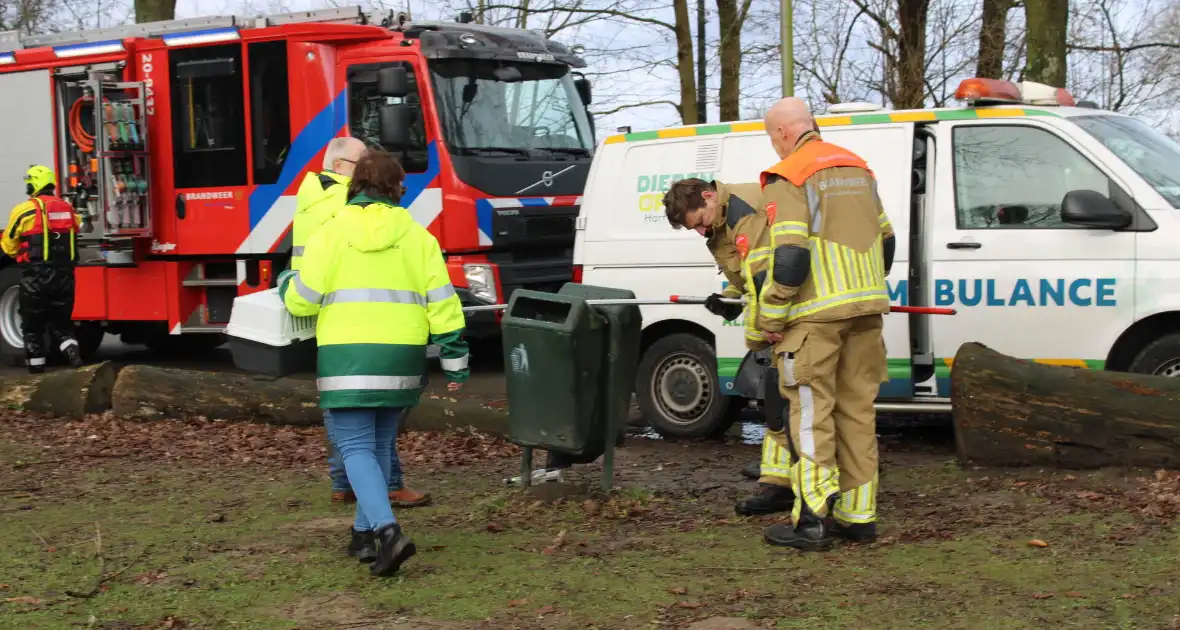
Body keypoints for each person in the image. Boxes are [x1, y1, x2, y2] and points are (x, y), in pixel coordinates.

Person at [279, 149, 470, 577]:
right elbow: (443, 302)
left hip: (348, 354)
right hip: (402, 355)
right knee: (380, 445)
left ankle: (387, 532)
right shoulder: (420, 236)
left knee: (354, 447)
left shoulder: (332, 232)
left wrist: (286, 283)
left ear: (355, 185)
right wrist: (455, 360)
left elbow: (303, 298)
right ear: (397, 187)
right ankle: (364, 535)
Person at [754, 97, 896, 551]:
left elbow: (791, 255)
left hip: (815, 318)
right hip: (867, 311)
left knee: (812, 415)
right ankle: (858, 517)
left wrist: (771, 312)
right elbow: (886, 241)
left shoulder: (789, 175)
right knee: (858, 412)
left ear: (780, 133)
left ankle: (811, 520)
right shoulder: (859, 168)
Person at [297, 137, 431, 510]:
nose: (367, 166)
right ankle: (384, 490)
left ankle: (351, 489)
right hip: (372, 324)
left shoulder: (313, 196)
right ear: (340, 165)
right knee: (375, 418)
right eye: (362, 160)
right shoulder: (346, 204)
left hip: (329, 316)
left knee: (346, 410)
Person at [662, 178, 795, 517]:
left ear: (708, 197)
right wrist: (732, 298)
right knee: (776, 401)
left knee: (786, 403)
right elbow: (751, 277)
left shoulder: (742, 210)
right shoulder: (722, 217)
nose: (702, 232)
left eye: (701, 222)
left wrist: (766, 329)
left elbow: (767, 273)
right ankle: (778, 479)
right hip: (779, 321)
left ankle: (791, 483)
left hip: (787, 321)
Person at [1, 165, 84, 373]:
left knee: (32, 328)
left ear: (33, 185)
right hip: (65, 278)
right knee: (63, 326)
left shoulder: (24, 210)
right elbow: (78, 226)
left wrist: (19, 253)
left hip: (36, 278)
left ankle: (36, 373)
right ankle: (72, 352)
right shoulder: (67, 209)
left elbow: (8, 245)